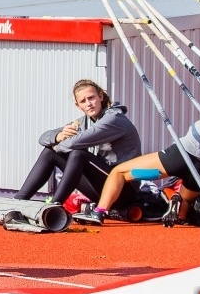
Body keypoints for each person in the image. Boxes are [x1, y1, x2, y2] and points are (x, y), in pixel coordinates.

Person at [85, 101, 200, 226]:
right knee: (185, 204)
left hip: (178, 158)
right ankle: (178, 203)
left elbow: (192, 154)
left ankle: (99, 212)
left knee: (119, 172)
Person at [14, 79, 142, 208]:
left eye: (91, 98)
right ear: (78, 105)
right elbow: (43, 138)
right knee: (50, 152)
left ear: (100, 96)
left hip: (124, 190)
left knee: (78, 154)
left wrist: (57, 145)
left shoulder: (113, 119)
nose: (89, 104)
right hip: (102, 190)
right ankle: (18, 202)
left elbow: (72, 144)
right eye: (83, 101)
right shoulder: (83, 123)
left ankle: (53, 207)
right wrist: (57, 136)